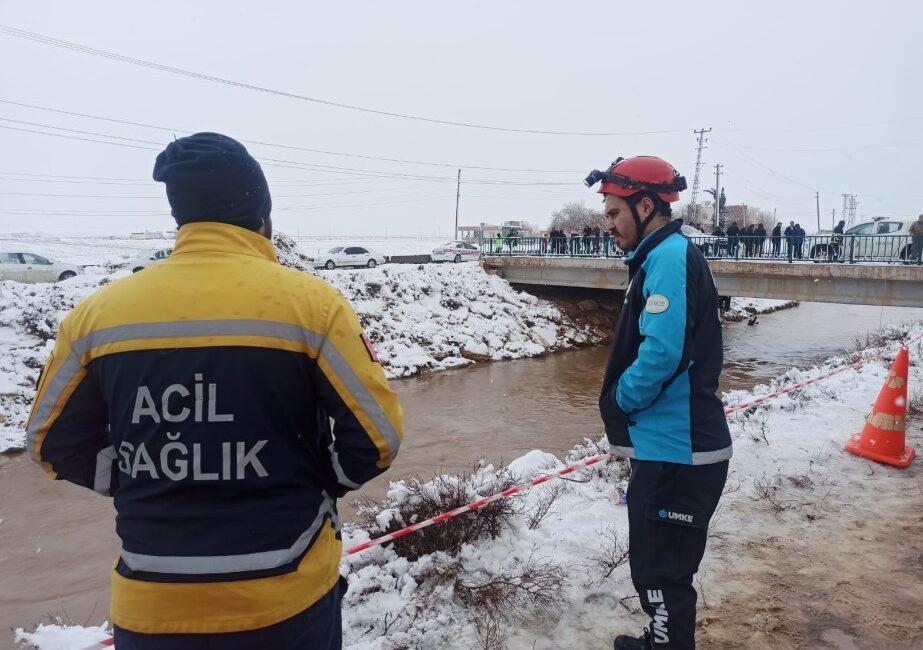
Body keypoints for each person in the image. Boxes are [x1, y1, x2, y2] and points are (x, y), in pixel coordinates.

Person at [26, 133, 404, 649]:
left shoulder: (94, 317)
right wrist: (322, 477)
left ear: (181, 216)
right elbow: (377, 438)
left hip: (151, 605)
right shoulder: (313, 307)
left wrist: (143, 472)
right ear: (262, 216)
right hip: (286, 597)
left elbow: (50, 442)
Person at [584, 156, 731, 649]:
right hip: (671, 449)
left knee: (662, 573)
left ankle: (665, 642)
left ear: (645, 205)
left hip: (678, 453)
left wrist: (619, 402)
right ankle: (660, 639)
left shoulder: (667, 257)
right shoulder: (659, 256)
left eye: (612, 213)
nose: (607, 225)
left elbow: (663, 352)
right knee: (657, 564)